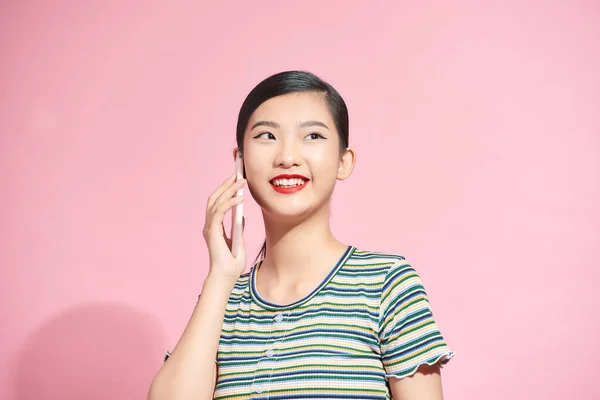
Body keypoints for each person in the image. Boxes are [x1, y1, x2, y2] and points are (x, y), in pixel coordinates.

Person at [148, 71, 454, 400]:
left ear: (343, 161)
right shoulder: (221, 302)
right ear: (240, 162)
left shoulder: (386, 284)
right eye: (266, 136)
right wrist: (220, 278)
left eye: (313, 136)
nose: (287, 158)